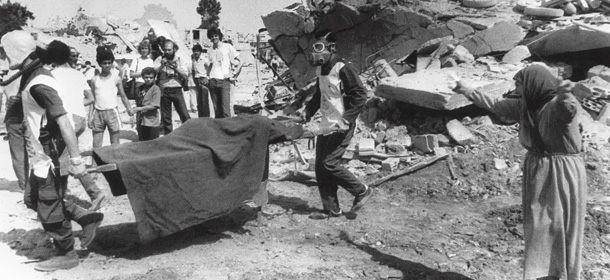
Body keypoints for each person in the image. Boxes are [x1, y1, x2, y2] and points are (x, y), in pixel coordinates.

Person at [453, 65, 586, 280]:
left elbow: (568, 111)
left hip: (562, 171)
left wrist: (565, 94)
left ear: (533, 84)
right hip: (539, 170)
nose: (516, 89)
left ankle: (564, 273)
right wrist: (466, 90)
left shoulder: (556, 106)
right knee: (539, 223)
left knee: (562, 223)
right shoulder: (525, 107)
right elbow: (495, 104)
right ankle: (544, 274)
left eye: (519, 84)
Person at [1, 30, 103, 271]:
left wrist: (76, 158)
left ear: (18, 52)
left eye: (6, 54)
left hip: (49, 153)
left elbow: (64, 121)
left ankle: (66, 252)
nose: (4, 59)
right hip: (40, 152)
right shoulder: (31, 75)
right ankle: (84, 216)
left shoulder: (38, 83)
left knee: (48, 204)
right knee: (32, 199)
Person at [292, 30, 373, 219]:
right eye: (314, 48)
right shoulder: (321, 70)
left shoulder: (343, 68)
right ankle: (331, 209)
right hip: (327, 123)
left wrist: (347, 119)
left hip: (342, 125)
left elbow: (360, 94)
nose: (316, 53)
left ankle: (362, 190)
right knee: (320, 167)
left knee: (329, 163)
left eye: (319, 48)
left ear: (332, 48)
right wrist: (308, 112)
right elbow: (320, 95)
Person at [49, 40, 106, 211]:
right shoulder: (78, 74)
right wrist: (75, 104)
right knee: (64, 157)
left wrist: (66, 106)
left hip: (67, 120)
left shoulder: (51, 75)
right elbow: (90, 98)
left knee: (66, 159)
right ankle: (61, 194)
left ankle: (94, 192)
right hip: (79, 118)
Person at [89, 48, 133, 149]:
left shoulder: (116, 78)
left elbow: (123, 95)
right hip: (98, 113)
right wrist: (90, 117)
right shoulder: (94, 80)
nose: (107, 65)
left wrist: (129, 109)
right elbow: (92, 99)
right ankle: (96, 164)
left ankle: (115, 163)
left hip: (112, 113)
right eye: (104, 63)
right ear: (100, 64)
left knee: (115, 143)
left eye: (109, 63)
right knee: (96, 143)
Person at [154, 39, 190, 134]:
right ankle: (168, 135)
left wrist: (176, 68)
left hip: (176, 89)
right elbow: (153, 74)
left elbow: (185, 75)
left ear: (174, 49)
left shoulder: (179, 60)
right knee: (166, 117)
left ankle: (189, 133)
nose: (167, 52)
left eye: (169, 50)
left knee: (184, 114)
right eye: (165, 50)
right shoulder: (159, 59)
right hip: (164, 90)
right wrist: (161, 65)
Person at [207, 28, 243, 118]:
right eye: (212, 36)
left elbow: (241, 61)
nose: (214, 38)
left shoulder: (227, 47)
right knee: (216, 110)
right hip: (212, 81)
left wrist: (233, 73)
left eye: (215, 35)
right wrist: (207, 76)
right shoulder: (210, 50)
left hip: (223, 81)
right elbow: (210, 65)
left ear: (219, 36)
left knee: (225, 110)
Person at [2, 68, 28, 190]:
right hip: (29, 114)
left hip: (13, 115)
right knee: (37, 150)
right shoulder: (32, 72)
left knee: (18, 153)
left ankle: (24, 185)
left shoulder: (9, 76)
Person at [133, 67, 161, 141]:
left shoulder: (156, 89)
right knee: (142, 141)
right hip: (141, 119)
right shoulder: (139, 88)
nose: (148, 79)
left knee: (153, 142)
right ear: (142, 77)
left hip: (151, 120)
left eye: (151, 77)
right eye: (146, 77)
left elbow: (155, 105)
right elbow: (137, 102)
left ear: (154, 78)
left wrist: (140, 109)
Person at [191, 44, 210, 117]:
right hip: (197, 80)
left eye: (198, 51)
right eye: (195, 51)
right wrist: (194, 79)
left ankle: (206, 118)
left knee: (204, 101)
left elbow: (210, 68)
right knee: (199, 101)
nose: (196, 53)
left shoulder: (204, 59)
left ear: (200, 52)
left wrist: (207, 77)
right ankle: (200, 117)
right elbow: (193, 70)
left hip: (203, 79)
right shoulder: (193, 59)